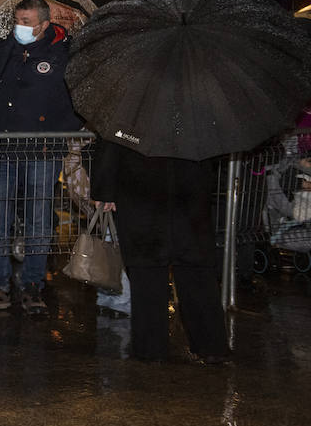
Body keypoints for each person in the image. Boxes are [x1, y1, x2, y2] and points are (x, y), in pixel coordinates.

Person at [0, 0, 81, 316]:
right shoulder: (3, 49)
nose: (20, 27)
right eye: (17, 21)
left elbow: (75, 102)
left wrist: (57, 136)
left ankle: (34, 285)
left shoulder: (61, 54)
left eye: (27, 22)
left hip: (42, 151)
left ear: (45, 24)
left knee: (38, 219)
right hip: (1, 148)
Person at [90, 140, 230, 364]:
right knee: (196, 270)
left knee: (148, 273)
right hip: (189, 194)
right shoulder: (197, 107)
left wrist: (104, 189)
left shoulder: (131, 108)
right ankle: (211, 346)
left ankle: (150, 348)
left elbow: (111, 141)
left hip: (143, 194)